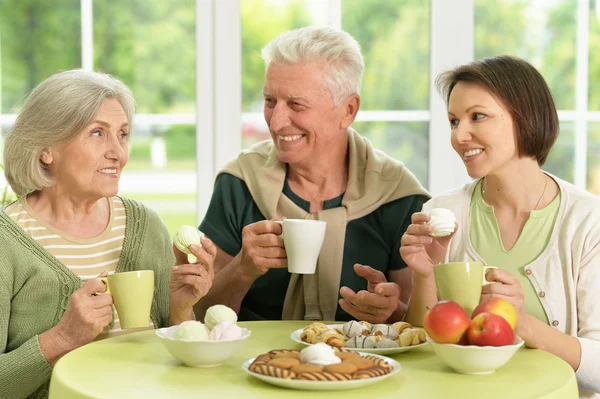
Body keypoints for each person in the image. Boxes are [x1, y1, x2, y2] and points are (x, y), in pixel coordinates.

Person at [0, 70, 217, 399]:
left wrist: (182, 308)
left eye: (123, 134)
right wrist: (63, 338)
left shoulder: (145, 226)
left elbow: (172, 358)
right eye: (98, 133)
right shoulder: (7, 241)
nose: (118, 152)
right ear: (46, 149)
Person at [195, 26, 430, 324]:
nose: (277, 122)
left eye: (296, 104)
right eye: (270, 101)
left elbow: (418, 326)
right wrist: (242, 268)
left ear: (348, 109)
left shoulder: (398, 196)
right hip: (251, 363)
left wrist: (391, 312)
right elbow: (201, 315)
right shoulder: (238, 183)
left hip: (365, 364)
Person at [400, 55, 599, 396]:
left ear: (526, 119)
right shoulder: (442, 212)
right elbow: (421, 350)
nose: (459, 135)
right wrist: (424, 274)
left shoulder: (587, 221)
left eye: (477, 116)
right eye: (453, 121)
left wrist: (524, 324)